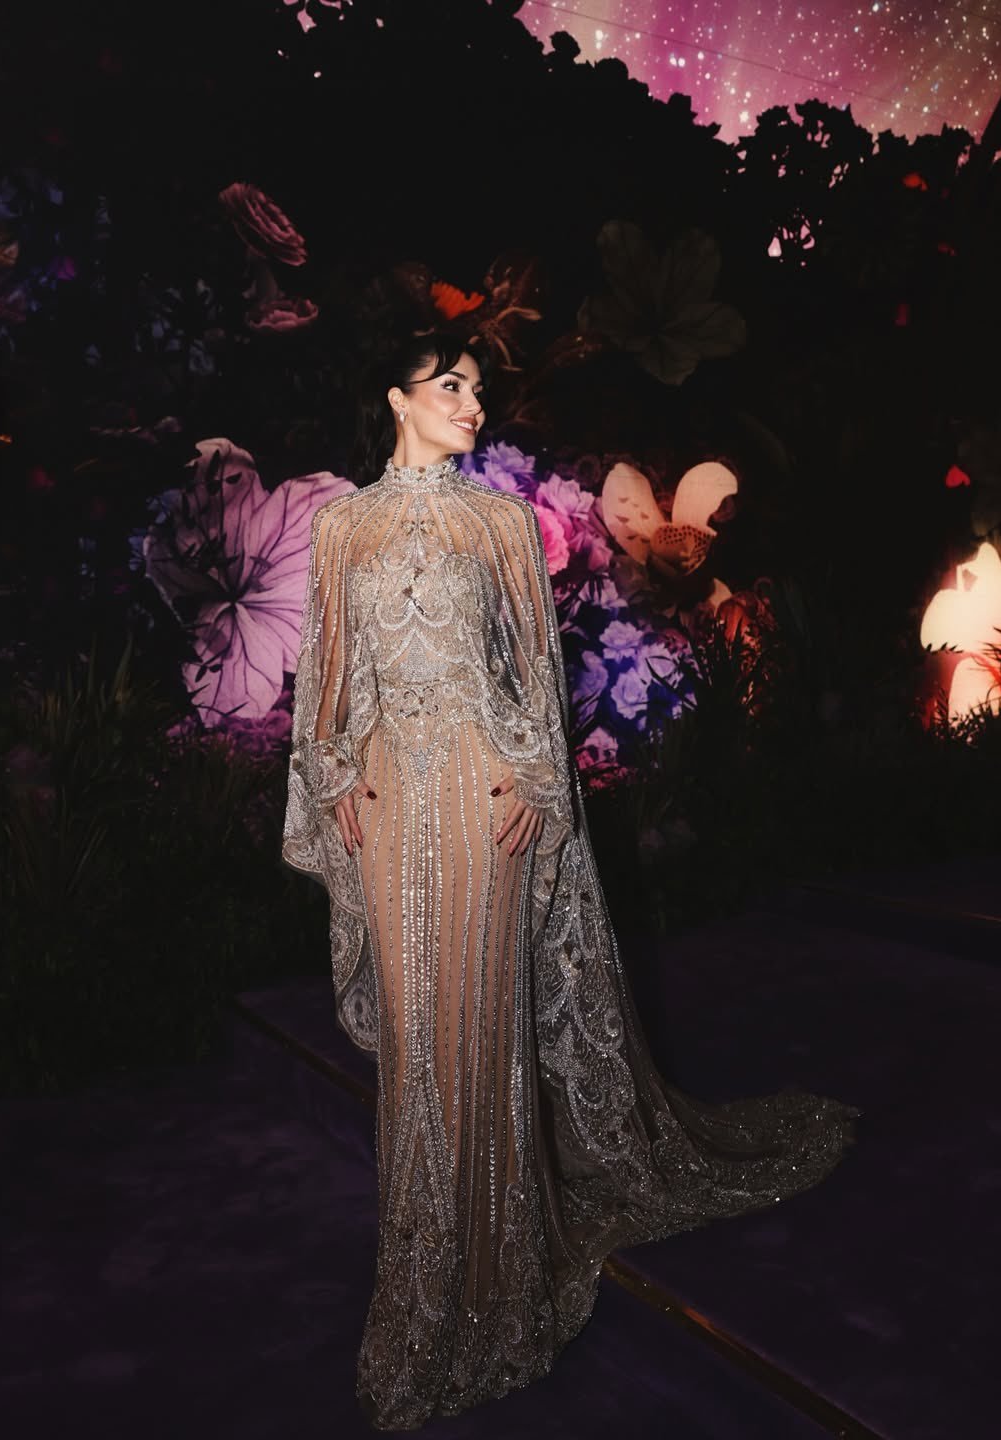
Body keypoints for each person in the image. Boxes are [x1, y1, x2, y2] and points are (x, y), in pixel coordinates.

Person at [282, 329, 859, 1430]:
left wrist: (537, 784)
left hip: (486, 801)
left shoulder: (500, 525)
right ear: (397, 399)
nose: (472, 402)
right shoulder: (340, 527)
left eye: (477, 387)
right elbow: (330, 675)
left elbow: (536, 679)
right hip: (390, 810)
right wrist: (333, 774)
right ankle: (424, 1277)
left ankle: (491, 1285)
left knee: (481, 1033)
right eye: (451, 385)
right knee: (418, 1038)